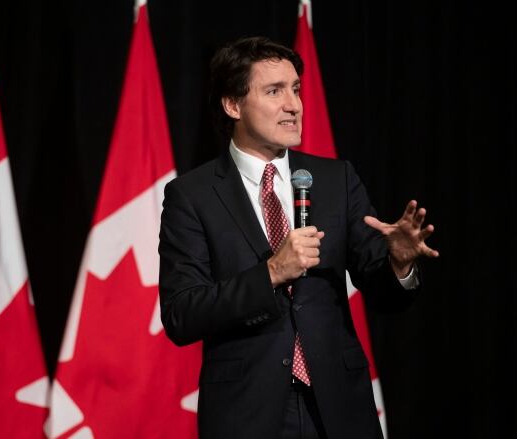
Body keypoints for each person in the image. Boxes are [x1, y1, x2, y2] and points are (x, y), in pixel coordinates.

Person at [158, 36, 439, 439]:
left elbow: (383, 295)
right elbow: (182, 314)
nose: (294, 105)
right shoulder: (192, 195)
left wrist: (399, 262)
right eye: (274, 91)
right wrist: (271, 272)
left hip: (339, 405)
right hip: (247, 411)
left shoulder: (335, 179)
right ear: (232, 105)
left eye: (295, 89)